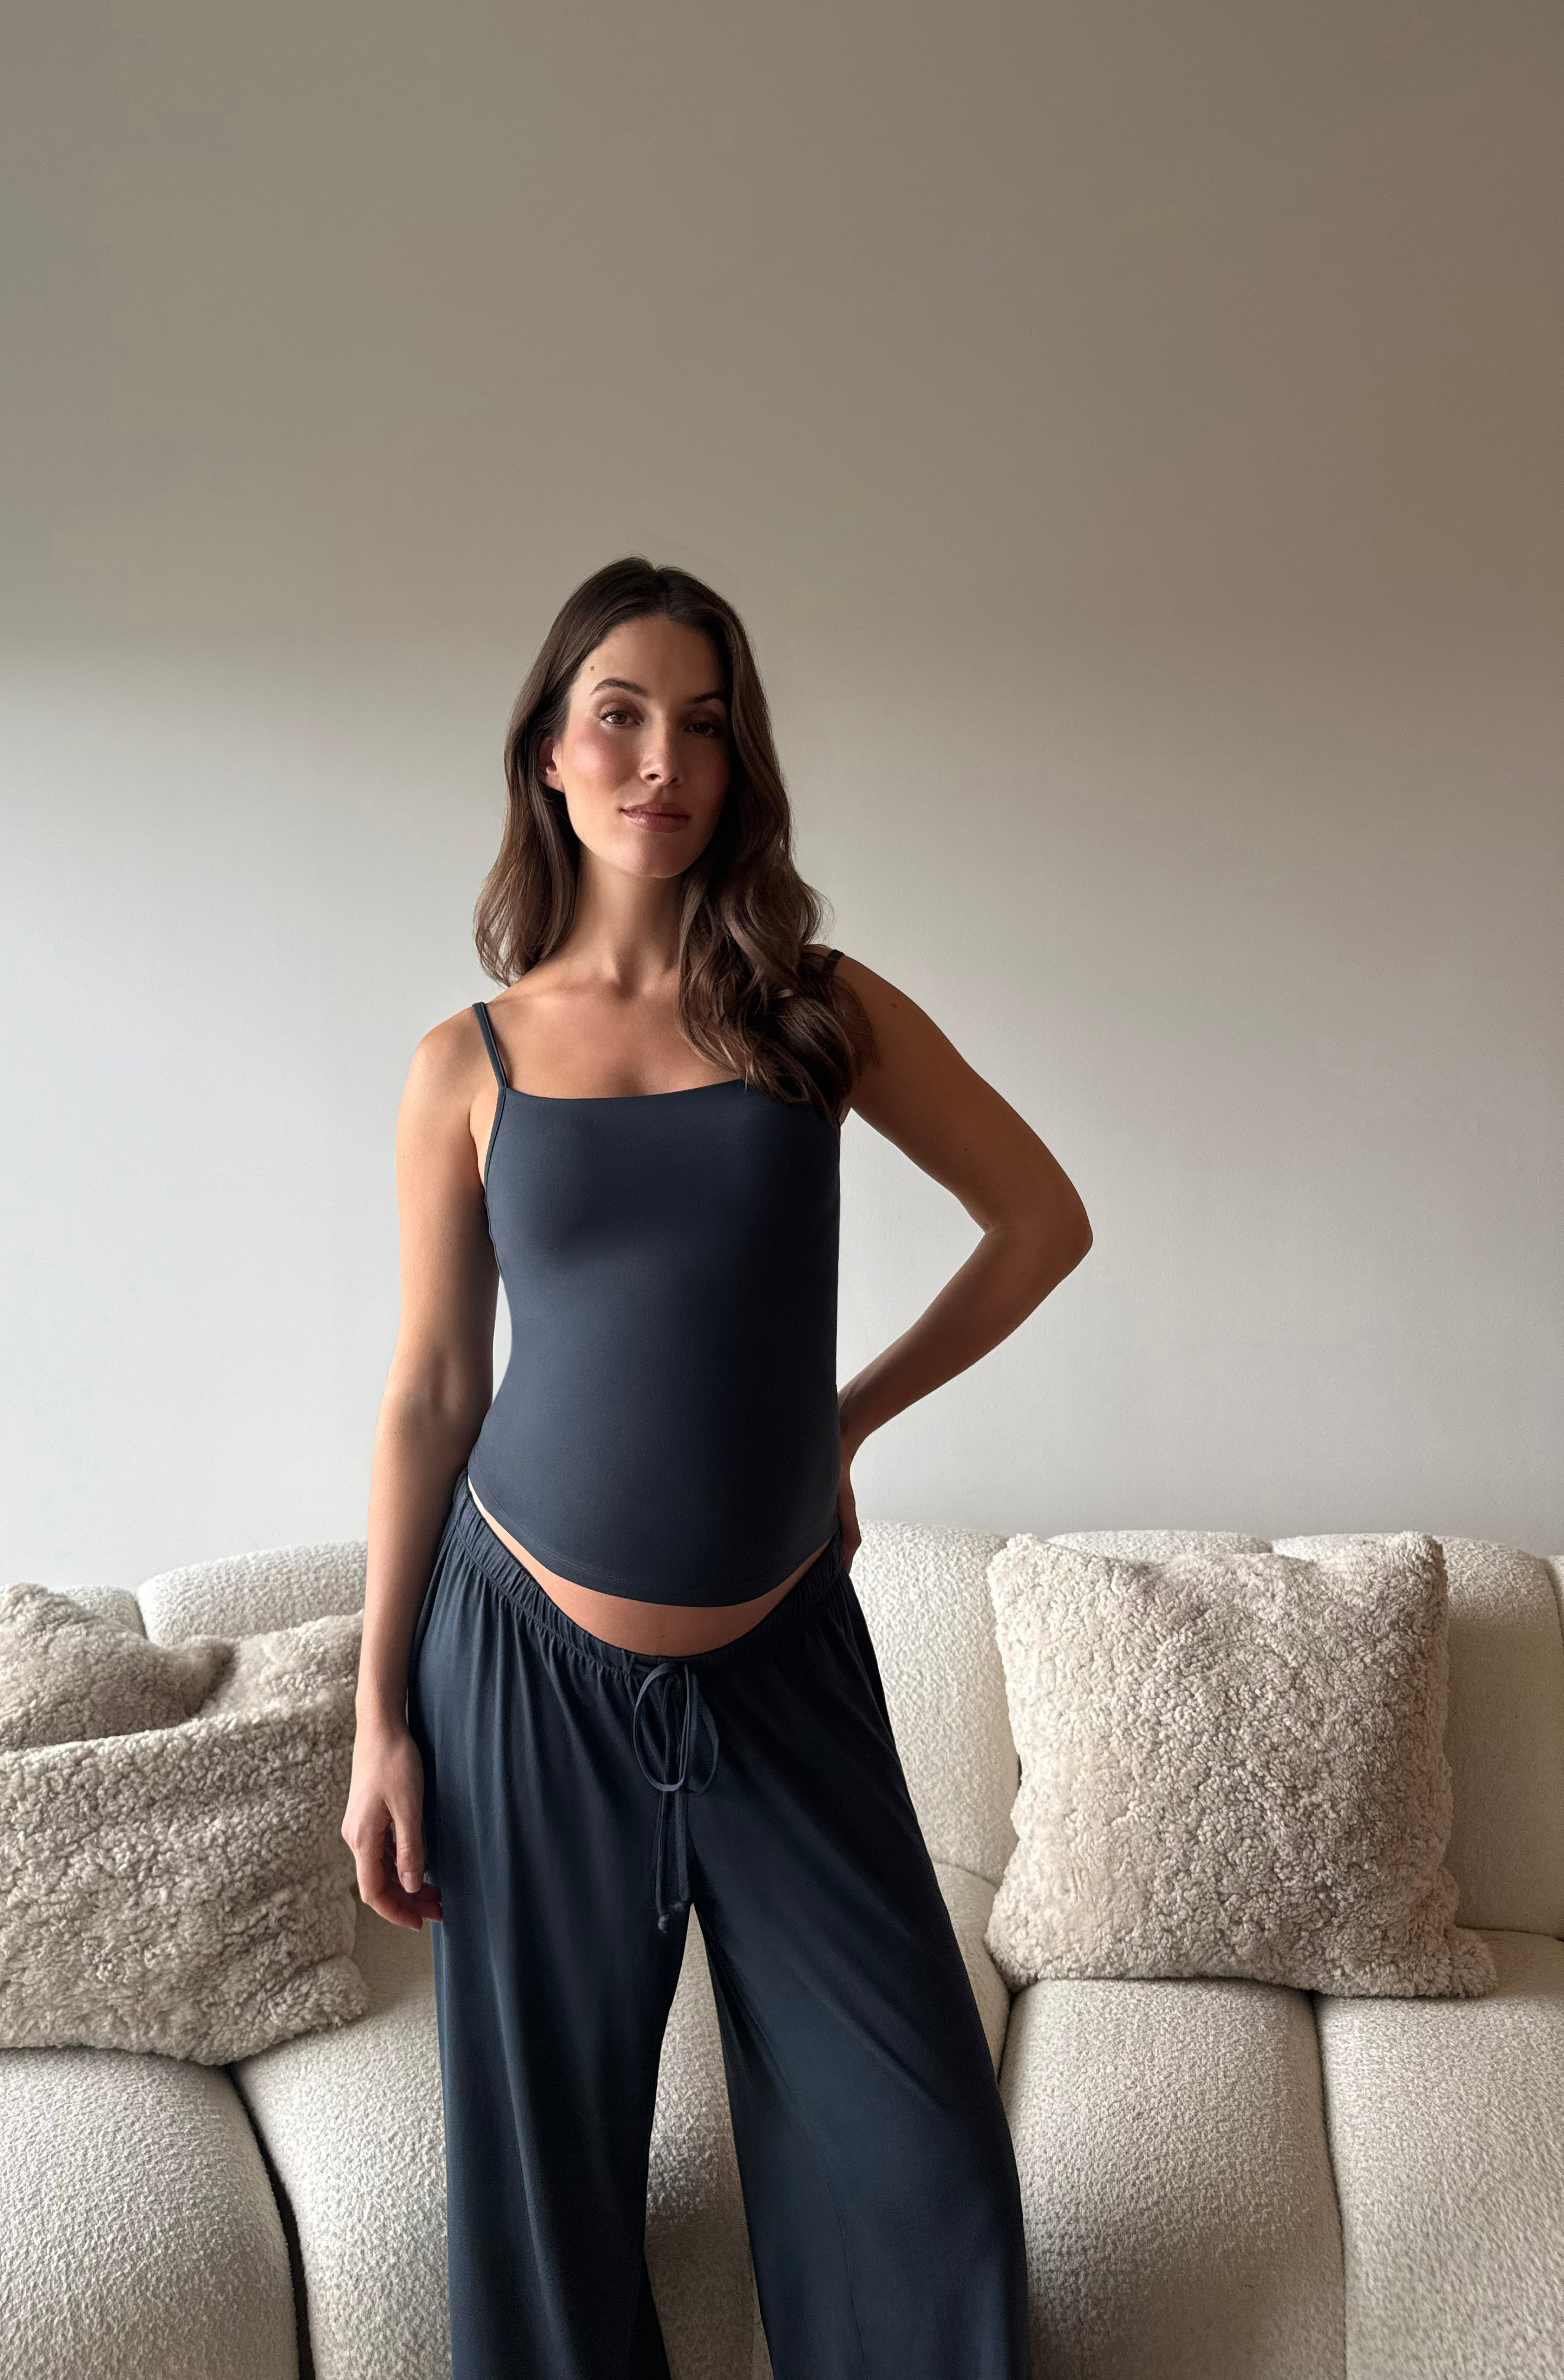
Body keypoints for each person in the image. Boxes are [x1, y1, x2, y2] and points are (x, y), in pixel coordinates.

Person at [342, 555, 1092, 2380]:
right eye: (620, 714)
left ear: (739, 765)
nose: (661, 758)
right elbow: (434, 1391)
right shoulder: (470, 1064)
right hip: (519, 1671)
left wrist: (842, 1418)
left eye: (703, 723)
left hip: (786, 1678)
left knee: (920, 2164)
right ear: (546, 752)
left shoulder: (816, 1012)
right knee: (546, 2197)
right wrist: (378, 1713)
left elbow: (1037, 1223)